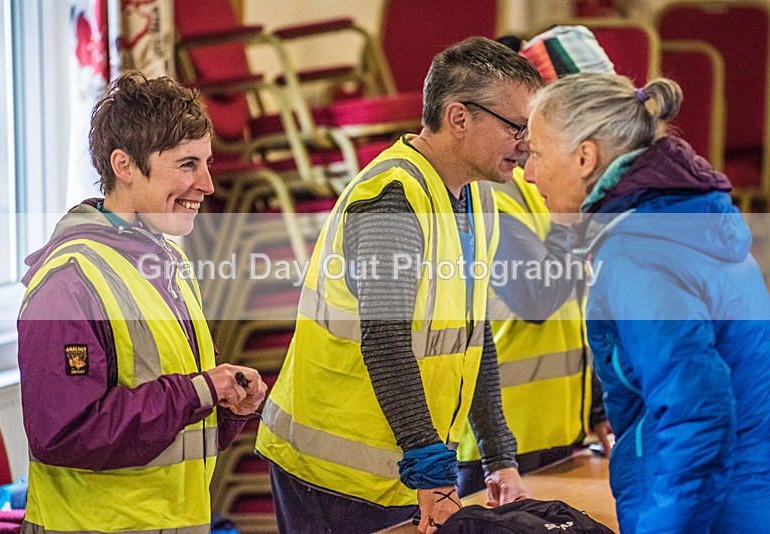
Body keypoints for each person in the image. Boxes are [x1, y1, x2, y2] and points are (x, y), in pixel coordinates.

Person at [255, 37, 543, 533]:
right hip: (333, 473)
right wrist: (432, 473)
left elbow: (473, 337)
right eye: (516, 127)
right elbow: (386, 342)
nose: (526, 143)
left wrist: (498, 458)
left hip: (401, 466)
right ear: (459, 117)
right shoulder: (391, 198)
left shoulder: (478, 198)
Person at [17, 71, 267, 534]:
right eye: (187, 164)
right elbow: (64, 433)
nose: (207, 184)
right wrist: (198, 392)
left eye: (207, 163)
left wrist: (225, 404)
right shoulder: (69, 282)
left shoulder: (168, 259)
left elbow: (173, 429)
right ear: (125, 165)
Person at [525, 72, 770, 533]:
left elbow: (697, 415)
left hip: (713, 514)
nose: (528, 172)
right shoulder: (678, 219)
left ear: (585, 157)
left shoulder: (638, 251)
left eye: (537, 153)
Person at [457, 25, 614, 495]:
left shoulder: (565, 185)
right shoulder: (491, 187)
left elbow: (578, 310)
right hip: (493, 451)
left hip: (561, 433)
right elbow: (537, 295)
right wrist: (576, 217)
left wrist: (597, 407)